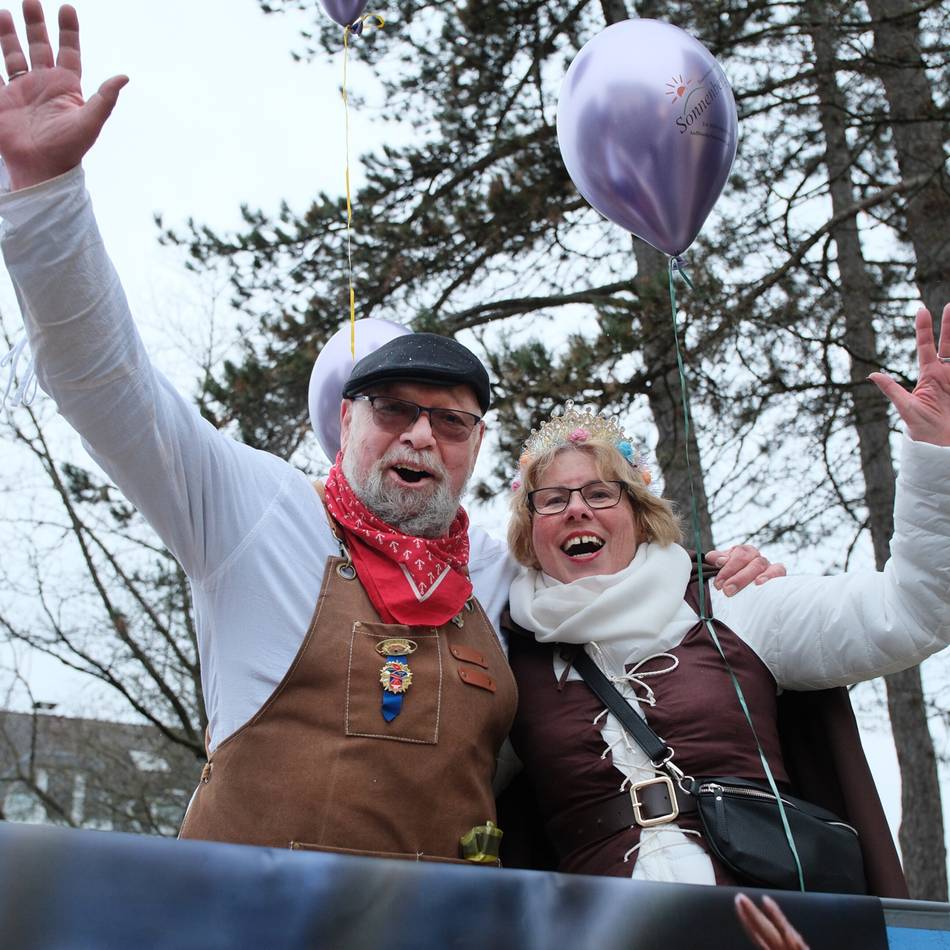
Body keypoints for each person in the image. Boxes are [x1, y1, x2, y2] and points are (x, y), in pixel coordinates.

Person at [0, 2, 780, 863]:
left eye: (450, 421)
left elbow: (612, 581)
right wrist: (48, 199)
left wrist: (711, 576)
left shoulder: (501, 578)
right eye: (393, 410)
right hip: (241, 921)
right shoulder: (257, 514)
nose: (419, 437)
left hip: (450, 922)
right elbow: (107, 386)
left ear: (476, 447)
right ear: (345, 421)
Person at [502, 304, 950, 891]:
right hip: (604, 925)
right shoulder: (509, 658)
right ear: (530, 532)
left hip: (764, 918)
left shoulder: (735, 599)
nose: (577, 509)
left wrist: (935, 455)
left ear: (639, 514)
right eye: (553, 500)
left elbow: (913, 611)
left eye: (601, 493)